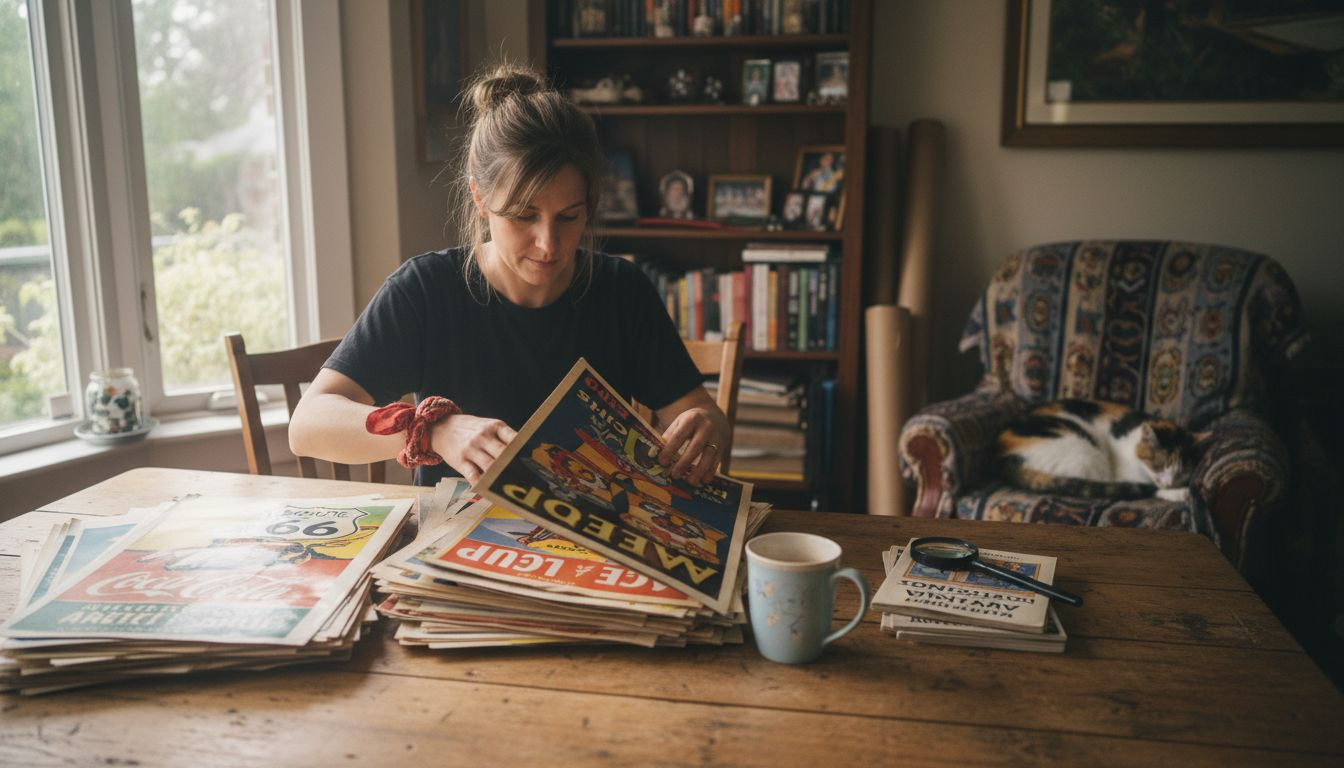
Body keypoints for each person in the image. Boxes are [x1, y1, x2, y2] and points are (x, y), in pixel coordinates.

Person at [289, 64, 729, 488]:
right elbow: (308, 424)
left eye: (569, 217)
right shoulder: (424, 290)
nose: (548, 244)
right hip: (456, 534)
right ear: (480, 198)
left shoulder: (623, 292)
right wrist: (432, 430)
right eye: (524, 216)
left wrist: (706, 428)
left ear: (591, 205)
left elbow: (702, 418)